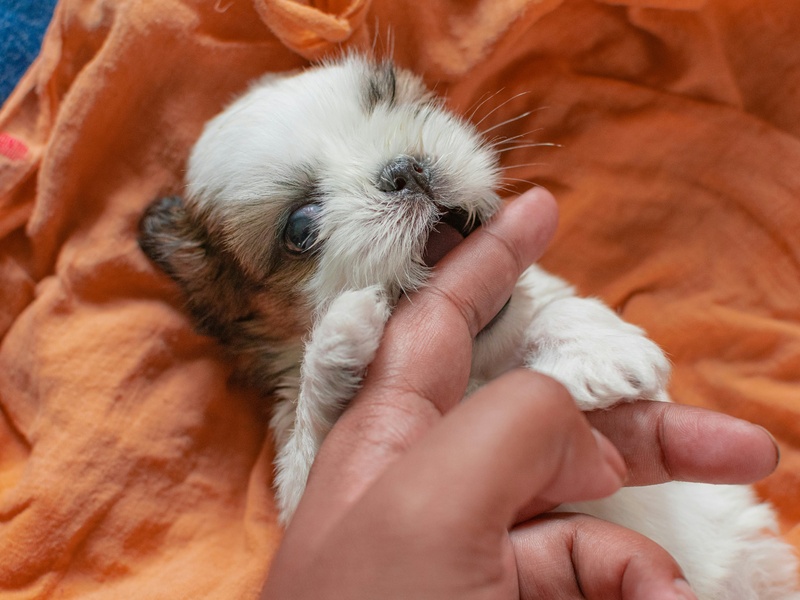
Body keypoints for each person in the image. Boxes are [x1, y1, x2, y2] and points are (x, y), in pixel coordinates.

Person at [260, 188, 780, 600]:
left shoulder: (513, 282)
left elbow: (613, 363)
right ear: (249, 313)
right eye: (304, 229)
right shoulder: (310, 395)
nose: (402, 176)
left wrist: (571, 335)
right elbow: (324, 525)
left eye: (399, 109)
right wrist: (325, 402)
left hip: (727, 557)